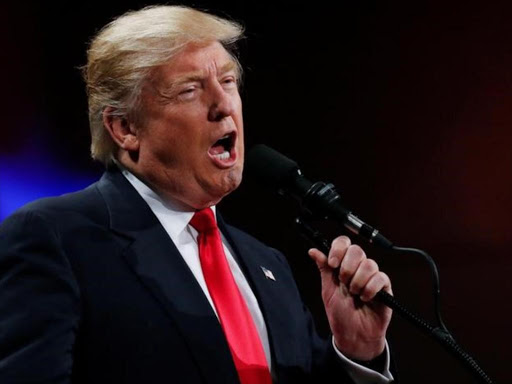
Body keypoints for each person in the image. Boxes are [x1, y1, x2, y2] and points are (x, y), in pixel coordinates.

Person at [0, 5, 394, 384]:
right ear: (124, 128)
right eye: (190, 90)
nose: (224, 105)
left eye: (227, 82)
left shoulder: (265, 264)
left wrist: (355, 352)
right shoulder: (56, 238)